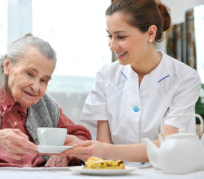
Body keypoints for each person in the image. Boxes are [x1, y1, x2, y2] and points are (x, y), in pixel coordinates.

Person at [64, 0, 201, 163]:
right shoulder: (106, 75)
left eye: (121, 36)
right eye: (110, 35)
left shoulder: (185, 78)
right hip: (119, 173)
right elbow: (103, 143)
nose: (112, 45)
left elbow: (167, 145)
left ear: (150, 33)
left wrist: (105, 151)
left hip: (167, 172)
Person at [0, 33, 91, 168]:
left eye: (43, 80)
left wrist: (66, 153)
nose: (36, 87)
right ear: (7, 65)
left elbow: (82, 138)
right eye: (30, 74)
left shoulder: (46, 106)